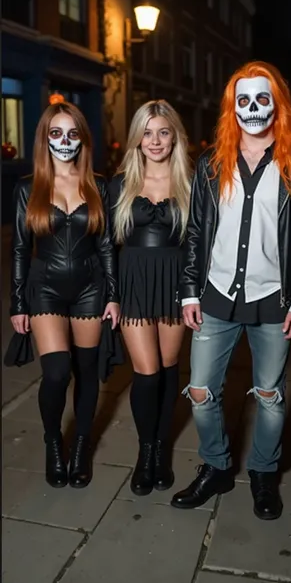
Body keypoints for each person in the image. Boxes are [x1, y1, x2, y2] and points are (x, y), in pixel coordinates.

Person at [171, 61, 291, 520]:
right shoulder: (212, 163)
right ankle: (216, 466)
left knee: (271, 395)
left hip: (275, 301)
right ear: (231, 108)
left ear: (277, 105)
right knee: (200, 389)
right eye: (243, 100)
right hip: (216, 294)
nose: (252, 108)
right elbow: (196, 230)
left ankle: (263, 472)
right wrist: (189, 291)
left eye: (262, 99)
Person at [10, 102, 120, 488]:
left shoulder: (99, 185)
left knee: (87, 373)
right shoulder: (28, 187)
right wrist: (18, 301)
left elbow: (107, 244)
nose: (64, 140)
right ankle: (54, 441)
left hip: (91, 288)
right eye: (56, 133)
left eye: (72, 133)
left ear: (83, 139)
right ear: (44, 139)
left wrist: (113, 294)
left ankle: (82, 445)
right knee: (56, 373)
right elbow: (21, 249)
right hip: (46, 290)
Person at [110, 100, 191, 496]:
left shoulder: (193, 182)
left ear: (174, 135)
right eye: (147, 132)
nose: (155, 140)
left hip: (177, 282)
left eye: (162, 131)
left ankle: (161, 450)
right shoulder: (121, 182)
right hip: (135, 283)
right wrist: (111, 295)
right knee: (147, 373)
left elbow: (202, 245)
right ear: (137, 138)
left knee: (170, 369)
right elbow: (107, 247)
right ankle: (146, 455)